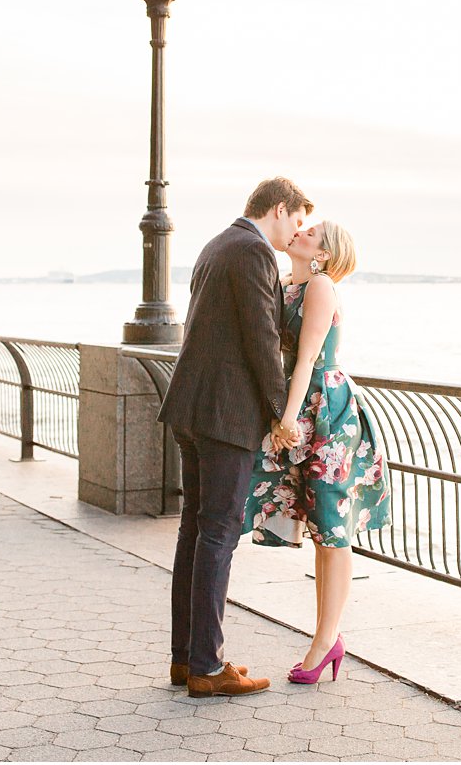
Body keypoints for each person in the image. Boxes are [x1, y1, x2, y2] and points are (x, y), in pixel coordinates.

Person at [159, 177, 313, 698]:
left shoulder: (216, 244)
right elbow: (260, 338)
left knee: (195, 534)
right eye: (295, 220)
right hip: (224, 416)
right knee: (219, 535)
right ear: (278, 207)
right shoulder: (252, 251)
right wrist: (281, 414)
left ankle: (186, 659)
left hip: (191, 408)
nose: (295, 231)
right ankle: (206, 666)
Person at [242, 220, 390, 684]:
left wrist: (286, 420)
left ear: (323, 254)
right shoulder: (289, 283)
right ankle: (327, 638)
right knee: (320, 523)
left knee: (331, 523)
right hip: (300, 404)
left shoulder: (321, 285)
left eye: (311, 232)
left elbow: (306, 359)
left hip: (326, 410)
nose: (300, 231)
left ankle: (326, 640)